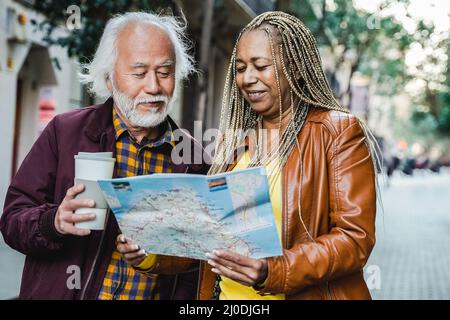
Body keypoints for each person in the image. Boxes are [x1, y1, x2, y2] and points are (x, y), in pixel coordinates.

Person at [118, 11, 379, 300]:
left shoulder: (335, 132)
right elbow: (209, 243)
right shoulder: (237, 145)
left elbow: (354, 239)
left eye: (260, 66)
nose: (247, 78)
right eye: (240, 68)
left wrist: (274, 271)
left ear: (294, 66)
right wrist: (149, 254)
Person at [0, 12, 209, 300]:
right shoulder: (66, 132)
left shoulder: (193, 159)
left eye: (164, 72)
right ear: (109, 78)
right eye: (139, 72)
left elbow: (194, 264)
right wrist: (54, 222)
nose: (154, 86)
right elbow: (12, 220)